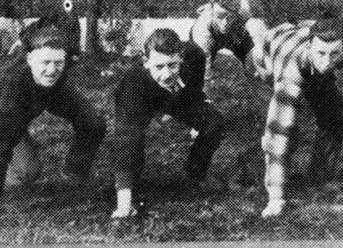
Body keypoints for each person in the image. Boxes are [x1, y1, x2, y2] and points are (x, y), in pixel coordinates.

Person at [260, 14, 343, 218]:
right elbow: (278, 135)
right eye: (321, 53)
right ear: (310, 46)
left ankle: (319, 178)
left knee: (337, 117)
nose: (327, 61)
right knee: (284, 131)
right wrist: (276, 200)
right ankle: (260, 176)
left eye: (334, 54)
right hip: (268, 58)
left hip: (302, 44)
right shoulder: (290, 73)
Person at [110, 28, 226, 218]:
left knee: (214, 122)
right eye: (159, 66)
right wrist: (124, 205)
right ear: (146, 62)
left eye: (172, 65)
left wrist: (192, 119)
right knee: (132, 138)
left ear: (181, 57)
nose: (166, 74)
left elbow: (195, 89)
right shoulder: (132, 84)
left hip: (179, 97)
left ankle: (195, 174)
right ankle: (128, 188)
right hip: (145, 100)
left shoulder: (194, 55)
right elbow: (126, 137)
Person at [0, 23, 106, 198]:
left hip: (42, 95)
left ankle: (74, 174)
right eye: (45, 62)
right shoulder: (10, 87)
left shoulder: (58, 67)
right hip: (6, 116)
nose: (51, 70)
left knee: (92, 122)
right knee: (27, 171)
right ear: (29, 59)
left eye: (58, 63)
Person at [189, 0, 261, 85]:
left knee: (252, 64)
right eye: (219, 17)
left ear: (236, 13)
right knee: (197, 69)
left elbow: (254, 40)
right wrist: (207, 80)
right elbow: (204, 61)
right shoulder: (202, 27)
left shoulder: (243, 12)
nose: (224, 22)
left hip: (232, 32)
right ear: (212, 12)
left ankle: (252, 76)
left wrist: (253, 68)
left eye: (228, 17)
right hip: (211, 36)